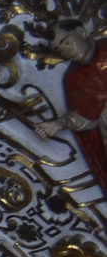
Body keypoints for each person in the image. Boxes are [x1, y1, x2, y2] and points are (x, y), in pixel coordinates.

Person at [34, 19, 107, 199]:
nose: (66, 50)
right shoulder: (74, 80)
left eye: (66, 42)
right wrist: (58, 124)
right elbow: (85, 118)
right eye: (60, 50)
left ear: (81, 31)